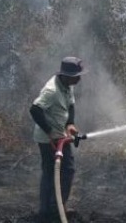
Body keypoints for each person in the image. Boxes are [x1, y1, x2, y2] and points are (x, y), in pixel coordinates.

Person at [30, 56, 86, 223]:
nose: (79, 78)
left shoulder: (67, 85)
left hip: (60, 136)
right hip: (48, 140)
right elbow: (35, 110)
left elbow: (70, 105)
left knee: (64, 171)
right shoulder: (51, 91)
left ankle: (55, 206)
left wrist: (70, 123)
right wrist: (49, 132)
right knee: (54, 172)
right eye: (76, 76)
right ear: (66, 75)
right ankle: (50, 210)